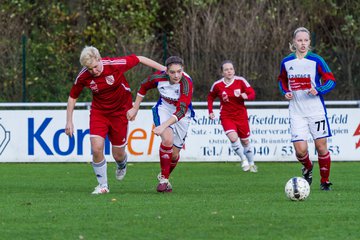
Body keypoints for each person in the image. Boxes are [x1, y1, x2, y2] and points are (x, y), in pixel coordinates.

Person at [65, 46, 165, 194]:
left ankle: (122, 164)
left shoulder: (114, 64)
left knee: (118, 154)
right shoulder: (84, 76)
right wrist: (69, 121)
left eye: (95, 67)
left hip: (120, 113)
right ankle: (103, 185)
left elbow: (140, 59)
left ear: (99, 59)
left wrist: (164, 69)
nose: (93, 71)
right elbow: (73, 97)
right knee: (96, 147)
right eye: (89, 69)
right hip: (99, 113)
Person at [278, 27, 336, 191]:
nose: (303, 43)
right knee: (300, 151)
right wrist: (285, 91)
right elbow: (281, 80)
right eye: (299, 40)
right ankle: (308, 168)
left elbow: (331, 80)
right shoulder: (286, 62)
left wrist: (319, 89)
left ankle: (325, 181)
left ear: (309, 42)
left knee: (321, 147)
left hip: (316, 111)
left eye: (306, 40)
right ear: (294, 42)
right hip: (296, 112)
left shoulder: (316, 60)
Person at [127, 56, 194, 193]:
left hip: (182, 114)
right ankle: (163, 180)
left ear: (183, 70)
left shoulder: (186, 83)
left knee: (174, 155)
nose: (176, 75)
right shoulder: (157, 78)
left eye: (179, 71)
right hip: (163, 108)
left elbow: (181, 111)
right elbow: (143, 86)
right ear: (166, 72)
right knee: (167, 139)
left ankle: (165, 178)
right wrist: (135, 107)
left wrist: (163, 126)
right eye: (172, 72)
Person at [207, 60, 258, 173]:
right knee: (233, 138)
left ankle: (252, 164)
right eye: (226, 69)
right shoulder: (217, 85)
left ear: (234, 70)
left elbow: (252, 93)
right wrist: (210, 111)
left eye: (231, 69)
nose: (229, 71)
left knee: (245, 142)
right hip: (226, 116)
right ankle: (243, 159)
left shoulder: (241, 81)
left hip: (241, 116)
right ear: (222, 73)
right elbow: (210, 97)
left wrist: (246, 96)